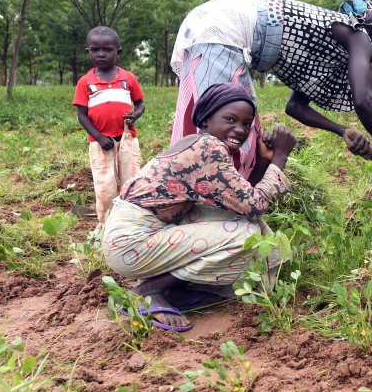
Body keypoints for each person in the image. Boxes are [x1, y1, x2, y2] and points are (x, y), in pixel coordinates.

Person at [102, 83, 297, 331]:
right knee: (244, 235)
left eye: (247, 124)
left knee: (241, 222)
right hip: (132, 242)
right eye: (230, 119)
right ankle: (149, 290)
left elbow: (243, 204)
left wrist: (264, 161)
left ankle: (176, 288)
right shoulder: (208, 148)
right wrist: (280, 157)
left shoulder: (200, 144)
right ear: (205, 120)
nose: (240, 129)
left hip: (135, 235)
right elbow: (255, 205)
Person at [169, 0, 372, 189]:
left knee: (217, 132)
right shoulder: (359, 34)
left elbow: (295, 107)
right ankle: (218, 214)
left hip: (212, 27)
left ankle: (208, 203)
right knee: (225, 137)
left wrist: (343, 130)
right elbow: (364, 101)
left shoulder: (329, 50)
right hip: (223, 28)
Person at [73, 26, 145, 226]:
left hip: (127, 140)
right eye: (95, 50)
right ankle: (106, 224)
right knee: (105, 186)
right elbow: (82, 115)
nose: (101, 54)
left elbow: (140, 103)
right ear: (88, 52)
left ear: (118, 52)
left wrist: (136, 114)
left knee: (131, 180)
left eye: (107, 49)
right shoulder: (85, 82)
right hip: (101, 143)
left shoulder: (128, 78)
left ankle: (130, 222)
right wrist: (98, 137)